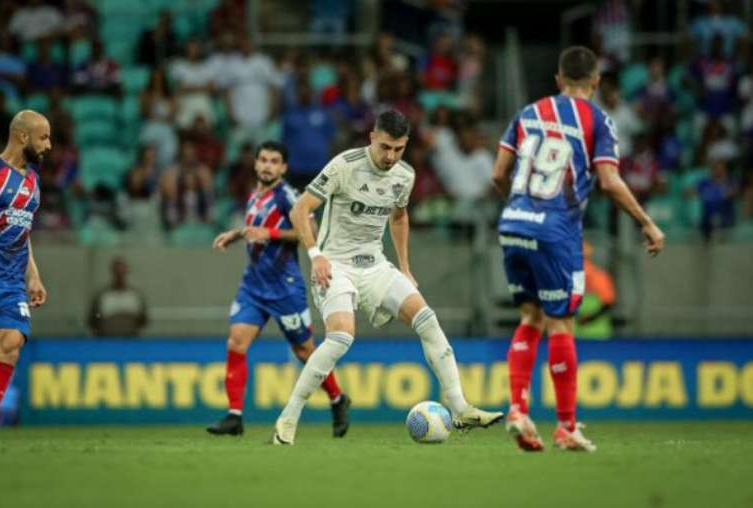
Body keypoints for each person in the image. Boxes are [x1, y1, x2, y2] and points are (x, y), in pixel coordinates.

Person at [271, 110, 503, 445]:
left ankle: (460, 407)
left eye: (398, 149)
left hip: (376, 266)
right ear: (371, 138)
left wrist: (405, 267)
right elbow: (299, 209)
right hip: (335, 265)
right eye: (385, 148)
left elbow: (399, 217)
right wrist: (316, 255)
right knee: (341, 338)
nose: (391, 156)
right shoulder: (344, 166)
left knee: (427, 319)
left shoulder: (403, 175)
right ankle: (288, 418)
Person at [492, 46, 664, 452]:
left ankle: (517, 409)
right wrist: (646, 222)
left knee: (530, 316)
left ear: (558, 79)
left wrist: (519, 208)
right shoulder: (597, 119)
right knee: (560, 323)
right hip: (557, 230)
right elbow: (609, 180)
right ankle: (566, 427)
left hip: (513, 223)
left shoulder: (528, 113)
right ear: (597, 81)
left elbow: (499, 173)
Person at [206, 141, 350, 438]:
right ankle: (235, 416)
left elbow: (308, 231)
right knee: (236, 343)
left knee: (305, 351)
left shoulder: (288, 196)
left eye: (274, 161)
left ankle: (337, 398)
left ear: (283, 167)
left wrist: (269, 233)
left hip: (285, 288)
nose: (267, 165)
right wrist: (236, 234)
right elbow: (254, 230)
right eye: (263, 160)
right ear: (256, 164)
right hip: (254, 286)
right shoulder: (255, 194)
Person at [0, 110, 50, 447]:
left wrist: (33, 276)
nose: (48, 145)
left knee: (10, 347)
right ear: (23, 136)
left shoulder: (34, 179)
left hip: (10, 283)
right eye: (44, 137)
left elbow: (23, 229)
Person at [88, 257, 148, 337]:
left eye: (122, 272)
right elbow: (92, 319)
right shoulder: (102, 296)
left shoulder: (135, 295)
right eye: (117, 272)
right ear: (113, 272)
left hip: (131, 340)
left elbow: (143, 319)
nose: (119, 275)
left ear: (126, 272)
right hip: (106, 339)